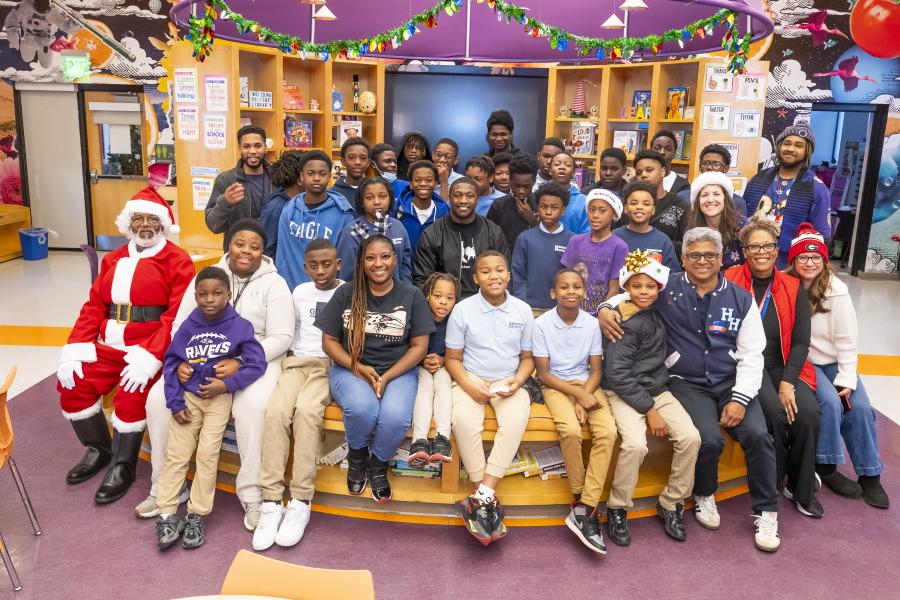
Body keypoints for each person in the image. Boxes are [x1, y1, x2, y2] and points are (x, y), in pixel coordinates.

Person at [598, 227, 779, 553]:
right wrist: (604, 309)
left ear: (721, 258)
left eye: (710, 254)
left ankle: (767, 511)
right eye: (694, 255)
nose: (702, 261)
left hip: (731, 381)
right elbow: (631, 291)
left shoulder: (740, 299)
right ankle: (704, 494)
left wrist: (739, 399)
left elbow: (753, 354)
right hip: (687, 382)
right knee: (707, 438)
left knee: (758, 435)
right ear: (683, 259)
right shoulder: (668, 288)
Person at [139, 219, 294, 529]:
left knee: (252, 406)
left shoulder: (274, 283)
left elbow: (282, 336)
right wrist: (182, 360)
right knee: (158, 399)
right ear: (228, 245)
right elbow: (180, 325)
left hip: (255, 357)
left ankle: (252, 493)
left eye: (254, 246)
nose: (246, 251)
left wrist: (240, 362)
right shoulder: (206, 278)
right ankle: (165, 489)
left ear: (264, 252)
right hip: (201, 358)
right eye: (239, 243)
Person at [57, 187, 194, 504]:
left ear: (163, 224)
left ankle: (123, 465)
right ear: (128, 222)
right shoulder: (114, 259)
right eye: (138, 218)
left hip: (146, 349)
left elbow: (177, 317)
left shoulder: (178, 261)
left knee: (132, 397)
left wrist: (151, 356)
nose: (145, 225)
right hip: (107, 346)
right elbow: (93, 306)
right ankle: (99, 449)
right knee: (73, 384)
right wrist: (75, 347)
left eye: (152, 219)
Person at [155, 267, 267, 551]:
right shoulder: (188, 327)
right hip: (188, 400)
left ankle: (196, 514)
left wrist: (227, 385)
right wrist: (175, 401)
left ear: (228, 295)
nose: (210, 299)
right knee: (176, 454)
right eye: (203, 294)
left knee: (207, 455)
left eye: (217, 293)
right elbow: (170, 364)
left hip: (218, 400)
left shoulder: (240, 326)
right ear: (195, 296)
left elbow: (257, 363)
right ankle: (167, 513)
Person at [316, 235, 434, 502]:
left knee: (393, 418)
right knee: (362, 409)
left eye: (385, 256)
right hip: (351, 368)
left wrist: (388, 375)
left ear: (394, 259)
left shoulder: (411, 294)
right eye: (370, 257)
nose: (378, 263)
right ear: (361, 262)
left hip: (399, 371)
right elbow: (329, 341)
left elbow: (419, 347)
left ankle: (378, 465)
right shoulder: (346, 292)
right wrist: (358, 367)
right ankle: (358, 456)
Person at [786, 223, 889, 508]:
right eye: (803, 257)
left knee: (859, 407)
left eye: (815, 257)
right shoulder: (785, 284)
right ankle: (826, 465)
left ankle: (870, 474)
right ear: (793, 260)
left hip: (834, 362)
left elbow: (847, 340)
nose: (809, 263)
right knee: (830, 402)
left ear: (824, 260)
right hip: (804, 362)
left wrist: (847, 377)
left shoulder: (836, 290)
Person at [725, 220, 822, 517]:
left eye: (767, 245)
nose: (761, 252)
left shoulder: (792, 287)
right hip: (747, 365)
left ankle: (800, 487)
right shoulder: (729, 279)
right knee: (777, 415)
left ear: (776, 249)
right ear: (744, 251)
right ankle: (772, 481)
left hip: (785, 366)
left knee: (808, 415)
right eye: (754, 246)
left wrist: (788, 382)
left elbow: (802, 341)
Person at [602, 251, 700, 545]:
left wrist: (655, 402)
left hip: (657, 387)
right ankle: (618, 507)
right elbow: (618, 375)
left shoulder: (661, 310)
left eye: (649, 286)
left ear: (659, 288)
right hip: (624, 391)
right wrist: (649, 409)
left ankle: (671, 501)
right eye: (636, 286)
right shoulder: (623, 320)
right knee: (635, 444)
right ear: (626, 288)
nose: (643, 292)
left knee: (691, 438)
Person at [252, 238, 344, 551]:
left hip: (328, 365)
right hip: (296, 363)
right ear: (305, 268)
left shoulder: (347, 291)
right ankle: (271, 500)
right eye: (314, 265)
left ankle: (301, 500)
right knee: (277, 411)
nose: (320, 270)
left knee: (307, 412)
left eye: (327, 264)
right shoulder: (298, 292)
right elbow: (292, 332)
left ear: (338, 264)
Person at [447, 251, 534, 545]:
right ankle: (483, 496)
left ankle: (481, 495)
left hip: (507, 379)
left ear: (508, 275)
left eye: (499, 270)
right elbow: (453, 359)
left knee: (516, 418)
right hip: (471, 377)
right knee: (463, 420)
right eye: (486, 271)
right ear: (476, 278)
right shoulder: (462, 309)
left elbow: (527, 358)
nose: (493, 276)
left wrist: (518, 381)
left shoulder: (522, 310)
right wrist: (469, 387)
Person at [533, 269, 617, 554]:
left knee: (608, 431)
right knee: (569, 430)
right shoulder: (541, 324)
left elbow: (596, 370)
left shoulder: (592, 324)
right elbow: (543, 374)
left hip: (587, 384)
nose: (571, 291)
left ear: (584, 293)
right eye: (564, 287)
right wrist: (577, 395)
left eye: (577, 287)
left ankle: (587, 507)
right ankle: (579, 495)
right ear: (553, 294)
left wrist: (584, 397)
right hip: (555, 385)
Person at [743, 124, 831, 268]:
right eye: (787, 143)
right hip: (753, 258)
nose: (790, 149)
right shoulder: (758, 179)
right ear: (779, 147)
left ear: (807, 151)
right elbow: (744, 218)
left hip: (789, 264)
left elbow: (821, 235)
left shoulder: (817, 188)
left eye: (798, 145)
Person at [414, 177, 509, 299]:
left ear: (477, 199)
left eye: (470, 196)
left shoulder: (494, 232)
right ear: (449, 198)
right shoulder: (432, 234)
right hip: (446, 308)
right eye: (457, 195)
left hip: (486, 304)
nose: (463, 200)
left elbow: (505, 274)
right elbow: (423, 280)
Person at [275, 150, 355, 290]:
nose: (317, 178)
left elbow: (345, 258)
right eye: (311, 173)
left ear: (330, 177)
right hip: (292, 291)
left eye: (322, 174)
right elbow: (282, 255)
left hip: (329, 291)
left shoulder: (343, 213)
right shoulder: (289, 210)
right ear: (301, 176)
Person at [407, 272, 460, 469]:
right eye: (438, 296)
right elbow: (406, 347)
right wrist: (422, 361)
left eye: (450, 298)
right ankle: (419, 441)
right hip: (418, 366)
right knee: (425, 384)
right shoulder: (416, 314)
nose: (443, 302)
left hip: (445, 366)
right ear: (428, 294)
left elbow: (463, 353)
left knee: (443, 381)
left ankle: (443, 440)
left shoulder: (457, 319)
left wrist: (443, 360)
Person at [560, 189, 628, 314]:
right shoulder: (575, 241)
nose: (595, 215)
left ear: (614, 215)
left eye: (602, 211)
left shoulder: (619, 247)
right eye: (592, 210)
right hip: (571, 312)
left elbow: (614, 288)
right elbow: (564, 278)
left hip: (598, 316)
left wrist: (602, 313)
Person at [511, 182, 574, 314]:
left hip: (561, 309)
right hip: (530, 308)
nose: (548, 211)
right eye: (544, 207)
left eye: (554, 207)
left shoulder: (572, 240)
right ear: (537, 208)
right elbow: (517, 274)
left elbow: (574, 275)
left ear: (563, 210)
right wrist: (523, 303)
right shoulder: (525, 238)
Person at [336, 176, 412, 282]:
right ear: (362, 202)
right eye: (369, 197)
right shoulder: (352, 231)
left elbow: (405, 268)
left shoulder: (398, 226)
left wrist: (407, 294)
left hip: (397, 295)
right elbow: (346, 275)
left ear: (390, 198)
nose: (376, 202)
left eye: (382, 196)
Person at [205, 125, 274, 242]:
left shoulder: (278, 178)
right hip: (239, 255)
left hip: (272, 254)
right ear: (239, 149)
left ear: (266, 148)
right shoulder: (226, 180)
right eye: (246, 146)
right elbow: (214, 226)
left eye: (258, 146)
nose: (252, 151)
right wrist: (225, 202)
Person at [683, 171, 746, 269]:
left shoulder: (742, 226)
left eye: (716, 194)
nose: (710, 199)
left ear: (725, 199)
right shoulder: (691, 230)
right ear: (697, 202)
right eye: (704, 195)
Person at [613, 181, 680, 271]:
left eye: (646, 204)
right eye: (633, 203)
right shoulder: (614, 237)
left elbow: (672, 276)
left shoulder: (663, 241)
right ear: (625, 208)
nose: (639, 207)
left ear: (653, 209)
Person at [632, 150, 689, 246]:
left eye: (649, 170)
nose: (643, 175)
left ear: (663, 171)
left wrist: (657, 244)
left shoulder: (679, 206)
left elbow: (687, 245)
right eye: (639, 172)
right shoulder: (630, 205)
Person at [486, 153, 540, 249]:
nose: (521, 191)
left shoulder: (541, 204)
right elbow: (489, 239)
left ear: (534, 181)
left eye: (526, 186)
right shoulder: (498, 205)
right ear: (510, 179)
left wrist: (532, 220)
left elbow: (549, 239)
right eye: (517, 185)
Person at [393, 160, 448, 250]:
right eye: (418, 180)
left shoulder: (444, 212)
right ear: (410, 184)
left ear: (435, 184)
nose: (423, 184)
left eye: (429, 180)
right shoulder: (398, 208)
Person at [678, 144, 746, 214]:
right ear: (699, 167)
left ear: (726, 169)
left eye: (716, 164)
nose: (709, 167)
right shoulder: (682, 197)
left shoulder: (737, 202)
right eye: (705, 163)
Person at [260, 150, 304, 259]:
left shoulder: (302, 203)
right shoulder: (275, 209)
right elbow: (267, 252)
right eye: (310, 173)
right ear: (300, 178)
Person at [551, 152, 589, 235]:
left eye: (567, 165)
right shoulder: (540, 196)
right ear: (550, 170)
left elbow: (587, 233)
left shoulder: (584, 201)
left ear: (573, 172)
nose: (562, 167)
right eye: (557, 164)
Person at [330, 137, 371, 206]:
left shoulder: (375, 192)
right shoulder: (332, 194)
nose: (357, 162)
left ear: (368, 163)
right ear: (343, 162)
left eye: (363, 158)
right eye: (351, 157)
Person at [651, 130, 690, 195]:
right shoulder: (640, 180)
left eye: (668, 149)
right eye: (657, 148)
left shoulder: (683, 186)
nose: (662, 152)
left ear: (674, 153)